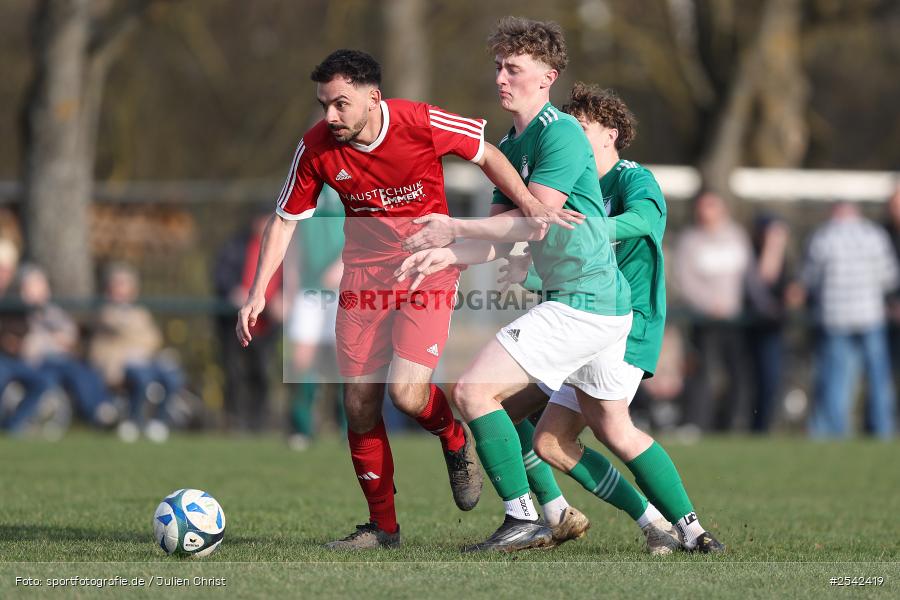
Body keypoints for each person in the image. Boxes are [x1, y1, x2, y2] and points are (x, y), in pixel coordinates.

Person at [235, 49, 580, 550]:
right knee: (358, 403)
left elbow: (485, 153)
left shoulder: (419, 120)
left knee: (406, 393)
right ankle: (382, 528)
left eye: (340, 104)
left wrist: (528, 204)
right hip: (363, 279)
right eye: (324, 104)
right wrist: (257, 292)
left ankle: (453, 436)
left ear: (373, 98)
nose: (330, 116)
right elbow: (286, 219)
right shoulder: (314, 147)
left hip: (430, 268)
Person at [403, 61, 723, 553]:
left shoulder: (631, 177)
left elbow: (642, 222)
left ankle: (531, 517)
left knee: (492, 399)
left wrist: (585, 227)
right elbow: (537, 234)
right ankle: (675, 528)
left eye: (583, 128)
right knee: (554, 438)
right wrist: (503, 263)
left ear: (610, 135)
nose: (571, 135)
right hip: (587, 308)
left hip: (625, 317)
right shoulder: (557, 170)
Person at [804, 201, 898, 438]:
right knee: (878, 377)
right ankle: (882, 429)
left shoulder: (823, 237)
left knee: (837, 378)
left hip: (835, 317)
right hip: (870, 315)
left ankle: (837, 432)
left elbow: (810, 278)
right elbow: (889, 277)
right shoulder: (874, 235)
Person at [674, 190, 752, 432]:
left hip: (735, 319)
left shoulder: (737, 236)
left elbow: (747, 275)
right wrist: (709, 304)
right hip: (704, 319)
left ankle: (736, 424)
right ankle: (698, 422)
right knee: (702, 372)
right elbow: (683, 280)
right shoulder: (690, 241)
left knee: (738, 373)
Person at [89, 263, 184, 442]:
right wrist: (136, 339)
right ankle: (133, 420)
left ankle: (159, 421)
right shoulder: (104, 311)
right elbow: (119, 329)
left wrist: (136, 341)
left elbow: (153, 339)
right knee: (142, 378)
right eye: (117, 285)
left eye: (125, 285)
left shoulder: (141, 313)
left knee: (172, 377)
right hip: (119, 365)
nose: (121, 290)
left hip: (146, 360)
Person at [17, 265, 116, 427]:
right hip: (38, 362)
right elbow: (31, 343)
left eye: (40, 285)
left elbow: (69, 333)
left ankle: (103, 406)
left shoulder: (51, 311)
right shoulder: (18, 312)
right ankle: (94, 412)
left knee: (88, 372)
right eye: (32, 286)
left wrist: (53, 339)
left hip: (60, 359)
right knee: (71, 371)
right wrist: (53, 339)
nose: (37, 290)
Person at [285, 185, 346, 449]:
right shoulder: (303, 179)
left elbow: (368, 231)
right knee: (300, 361)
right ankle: (302, 429)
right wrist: (289, 285)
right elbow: (291, 235)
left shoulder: (348, 177)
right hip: (309, 289)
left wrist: (344, 263)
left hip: (346, 287)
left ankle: (352, 429)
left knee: (346, 362)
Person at [214, 209, 283, 432]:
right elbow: (221, 275)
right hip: (236, 321)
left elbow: (290, 277)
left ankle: (259, 423)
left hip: (266, 324)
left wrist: (283, 297)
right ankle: (234, 421)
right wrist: (234, 292)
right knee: (234, 373)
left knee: (261, 372)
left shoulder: (284, 250)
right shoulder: (236, 245)